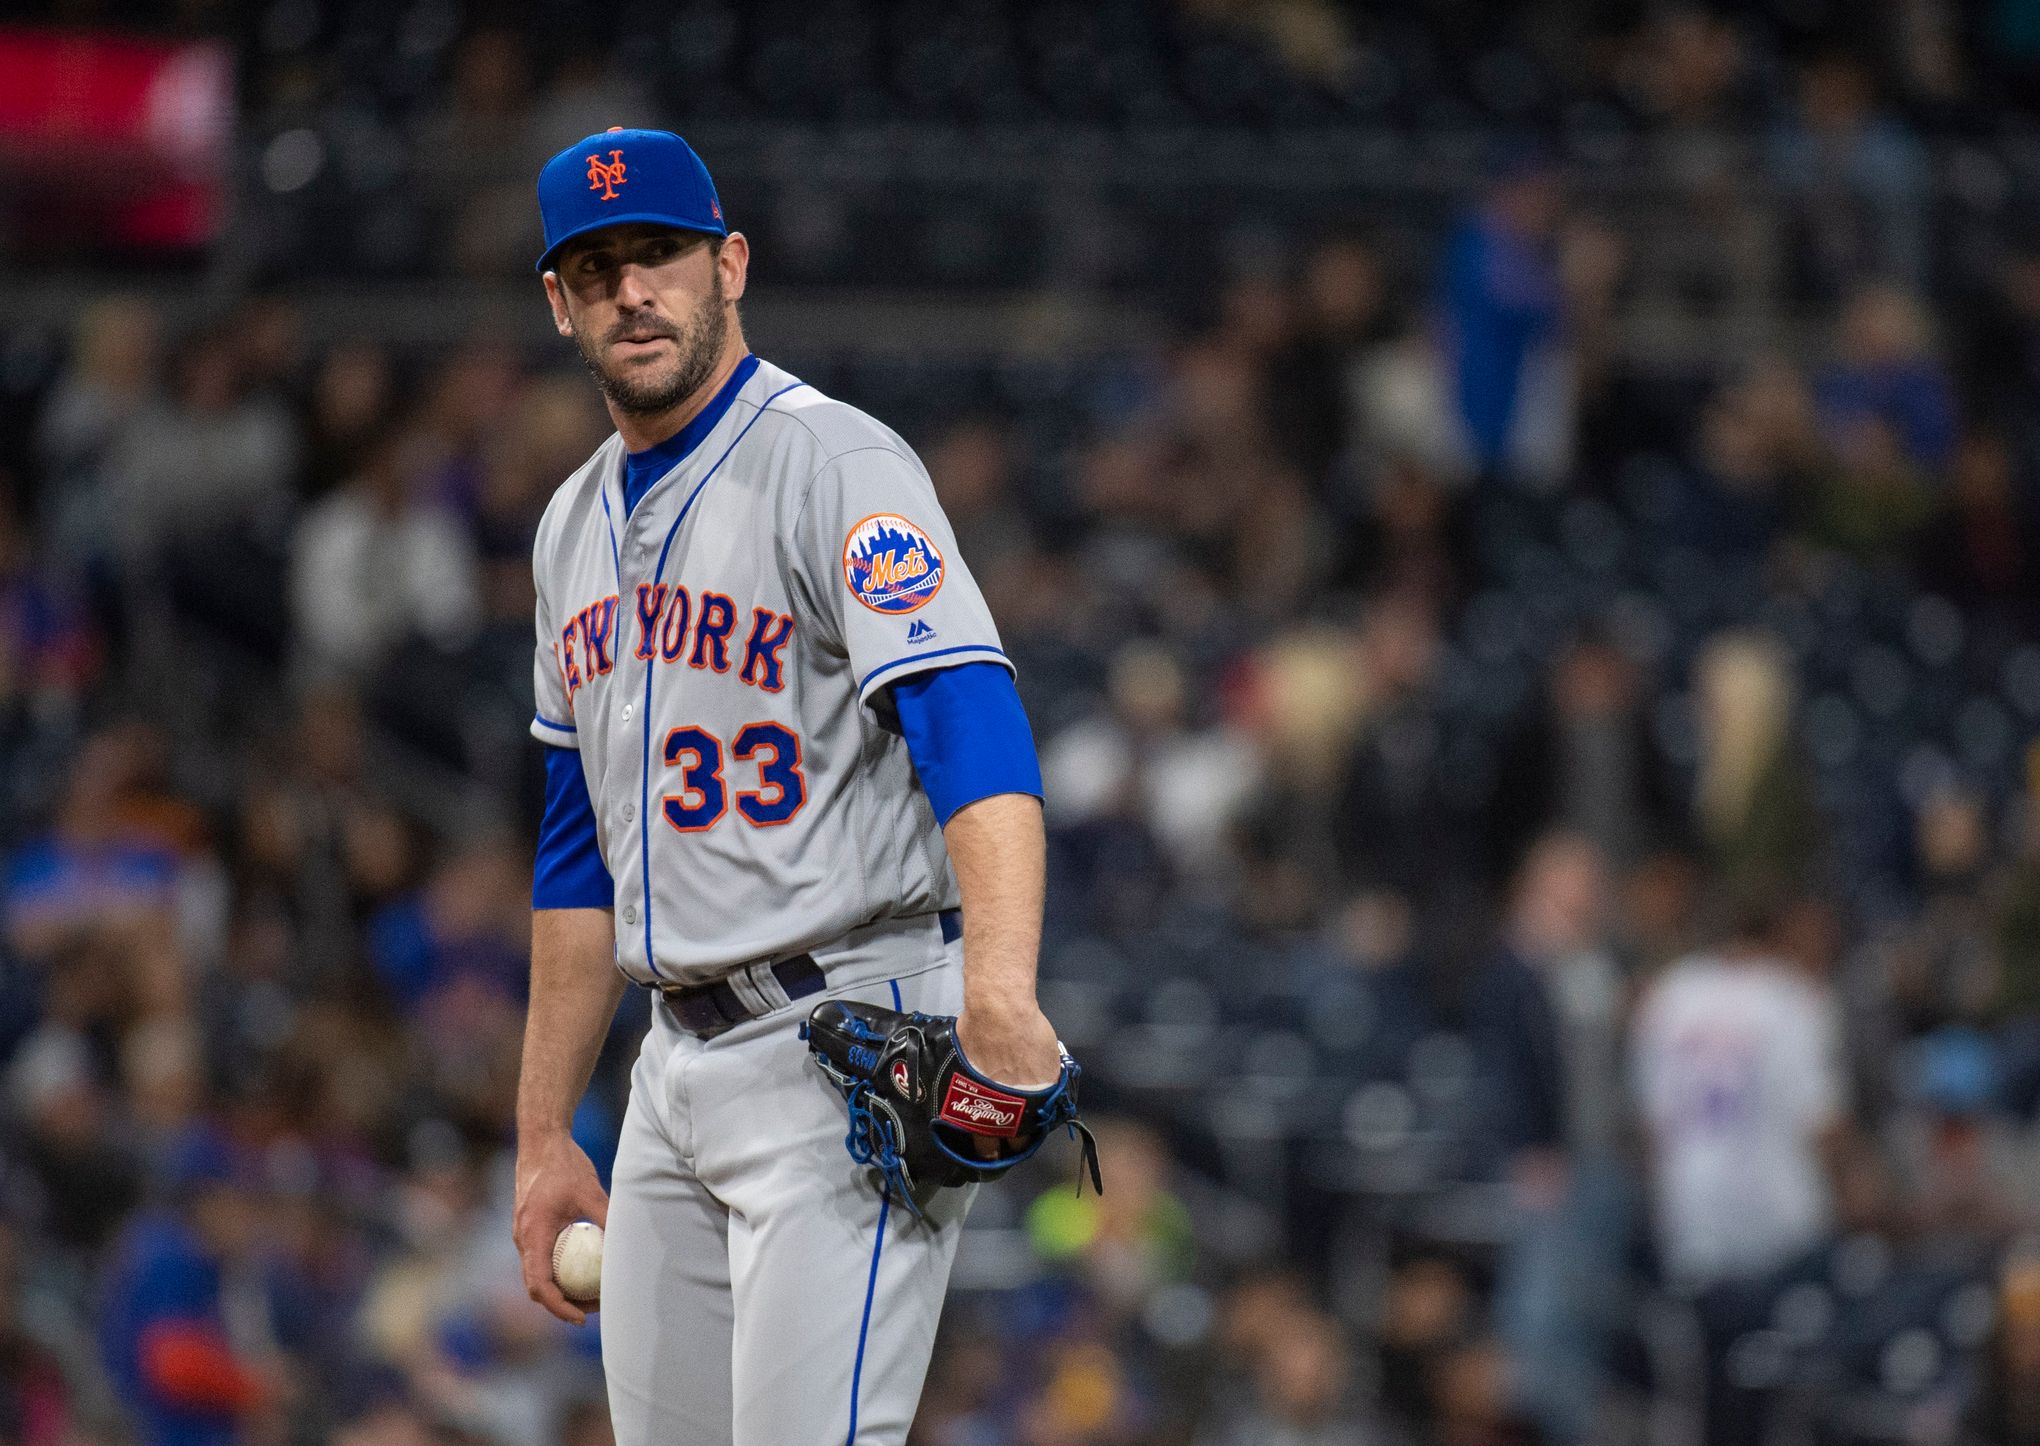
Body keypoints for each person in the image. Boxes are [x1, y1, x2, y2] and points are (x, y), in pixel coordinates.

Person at [508, 129, 1061, 1445]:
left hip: (845, 1037)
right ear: (559, 304)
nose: (632, 290)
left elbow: (971, 721)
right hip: (672, 1069)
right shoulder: (568, 528)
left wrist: (999, 988)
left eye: (660, 255)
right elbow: (575, 856)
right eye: (597, 270)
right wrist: (540, 1136)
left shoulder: (832, 461)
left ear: (730, 266)